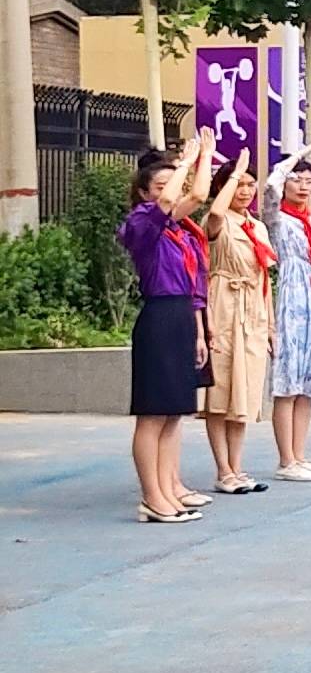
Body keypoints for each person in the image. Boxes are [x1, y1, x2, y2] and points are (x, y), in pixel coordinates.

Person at [120, 128, 216, 524]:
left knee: (174, 411)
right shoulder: (141, 224)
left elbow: (195, 196)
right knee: (153, 413)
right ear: (145, 193)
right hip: (158, 318)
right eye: (161, 184)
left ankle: (167, 489)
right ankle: (151, 497)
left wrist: (204, 157)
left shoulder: (175, 229)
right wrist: (186, 163)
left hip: (179, 315)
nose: (171, 190)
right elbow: (170, 198)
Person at [199, 160, 275, 495]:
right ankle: (223, 470)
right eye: (238, 184)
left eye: (249, 184)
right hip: (223, 306)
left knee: (244, 393)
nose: (245, 191)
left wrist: (269, 324)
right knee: (221, 392)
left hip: (252, 310)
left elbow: (264, 278)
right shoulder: (217, 221)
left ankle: (238, 467)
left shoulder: (258, 227)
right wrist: (232, 172)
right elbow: (215, 212)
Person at [266, 155, 311, 482]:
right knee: (288, 381)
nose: (303, 186)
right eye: (296, 179)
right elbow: (269, 189)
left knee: (308, 383)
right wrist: (290, 162)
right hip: (293, 301)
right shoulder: (277, 220)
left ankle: (300, 454)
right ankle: (286, 460)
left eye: (309, 181)